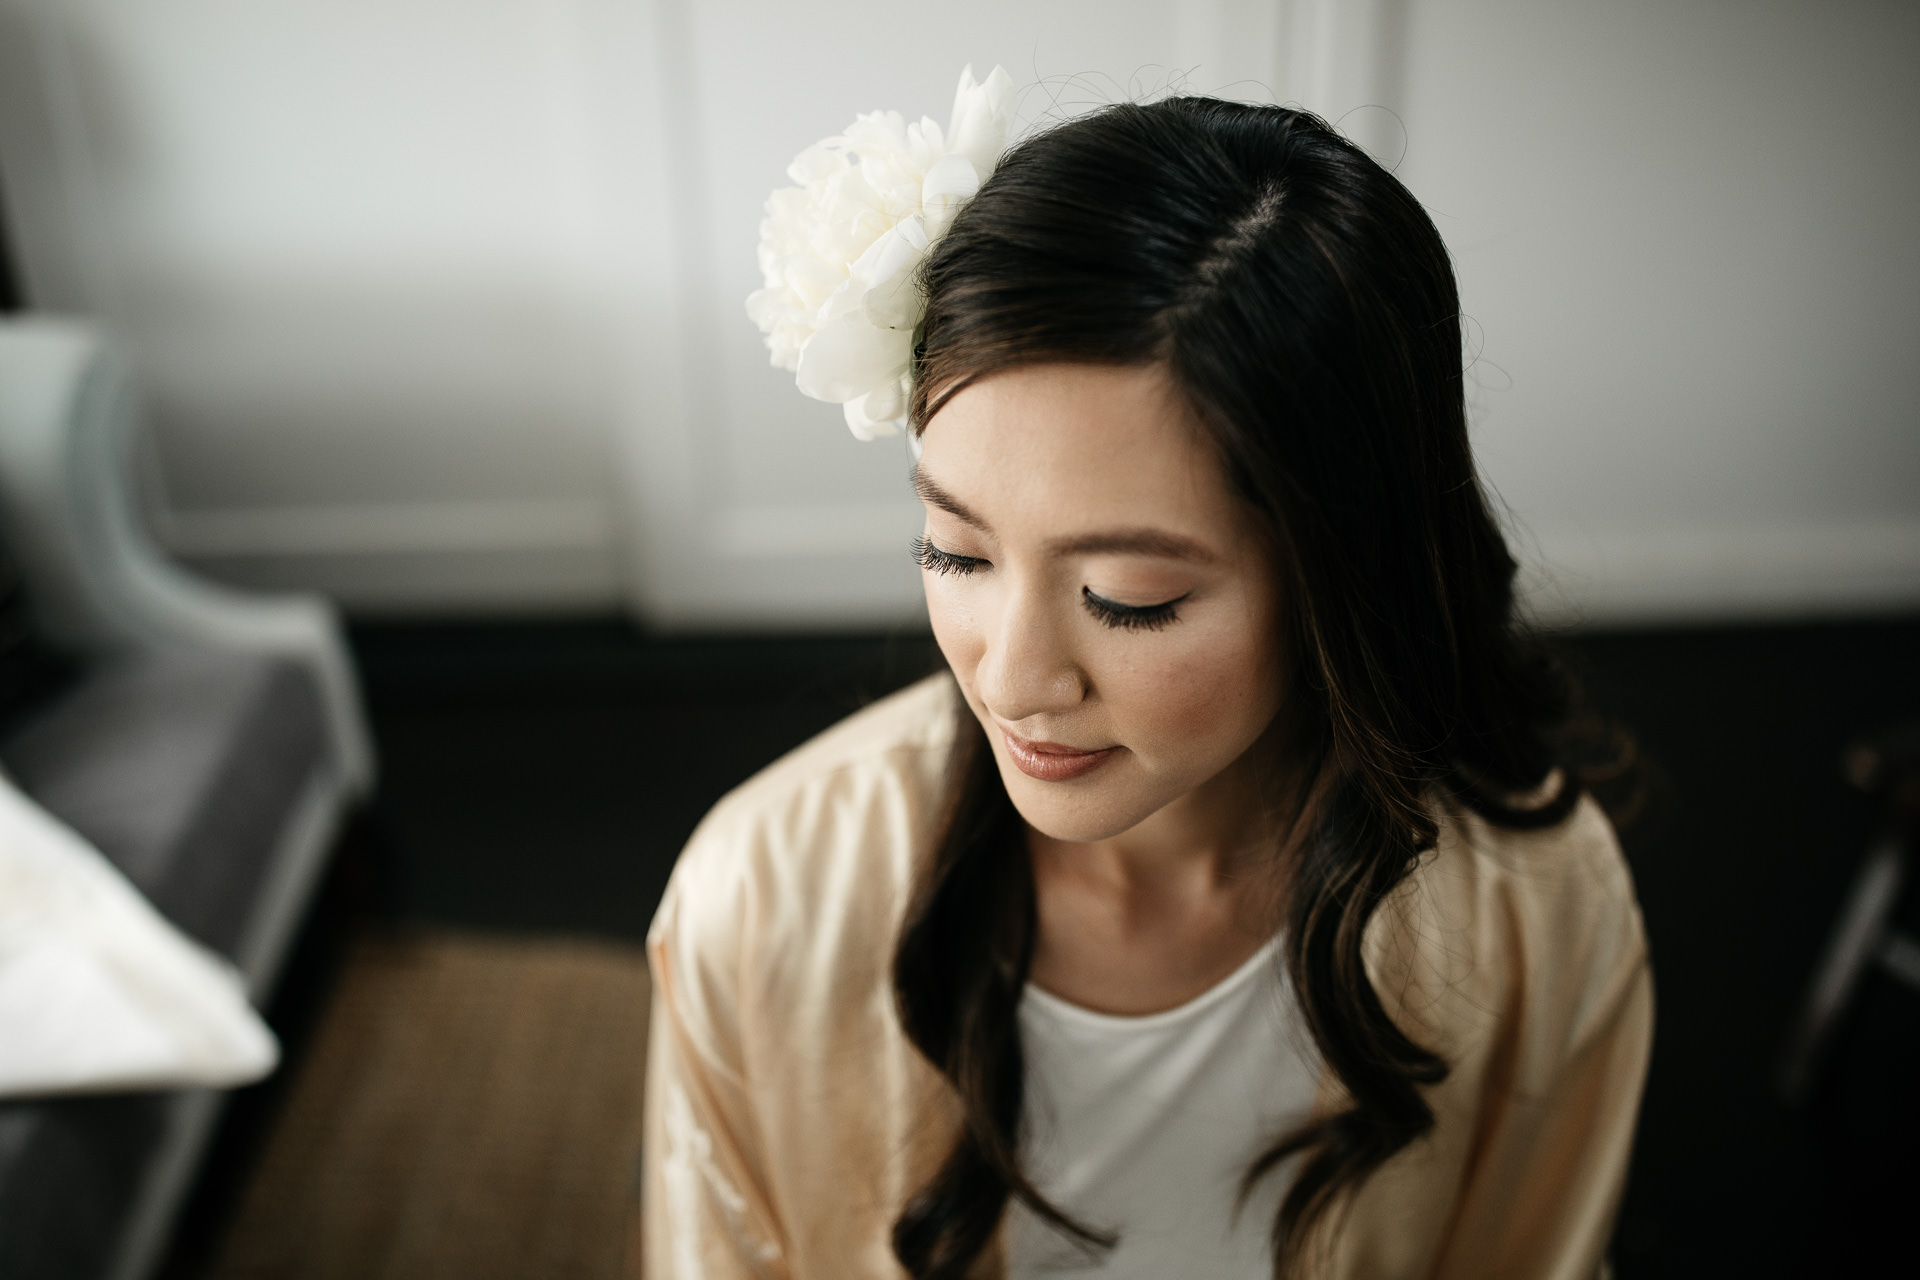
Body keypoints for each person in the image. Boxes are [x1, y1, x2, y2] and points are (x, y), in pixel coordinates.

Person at [641, 71, 1652, 1280]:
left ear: (1341, 571)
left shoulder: (1539, 909)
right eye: (954, 550)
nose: (1012, 675)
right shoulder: (758, 897)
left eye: (1127, 596)